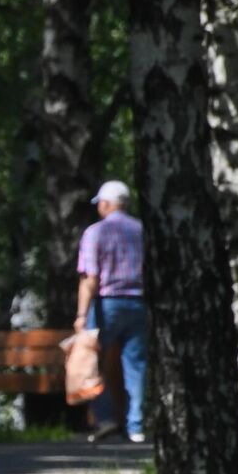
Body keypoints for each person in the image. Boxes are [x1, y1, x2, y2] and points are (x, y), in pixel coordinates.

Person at [74, 179, 147, 443]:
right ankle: (136, 426)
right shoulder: (142, 230)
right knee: (136, 366)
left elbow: (90, 278)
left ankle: (105, 419)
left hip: (107, 304)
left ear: (105, 204)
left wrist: (82, 315)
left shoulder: (96, 232)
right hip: (139, 303)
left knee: (91, 362)